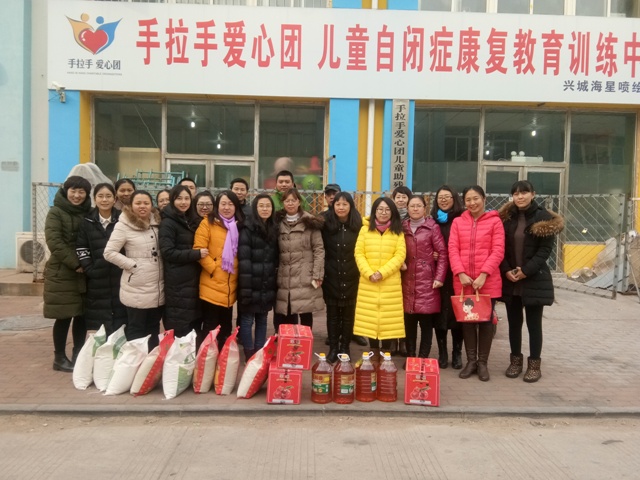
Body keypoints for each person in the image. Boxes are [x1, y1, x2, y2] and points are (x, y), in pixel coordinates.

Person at [499, 180, 564, 383]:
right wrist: (507, 270)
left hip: (534, 279)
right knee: (514, 323)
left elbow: (545, 251)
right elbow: (500, 247)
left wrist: (525, 271)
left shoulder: (544, 218)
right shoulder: (506, 218)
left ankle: (534, 365)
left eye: (524, 193)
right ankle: (515, 362)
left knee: (534, 325)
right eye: (516, 193)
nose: (520, 197)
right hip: (511, 279)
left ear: (533, 194)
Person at [449, 185, 505, 381]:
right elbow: (453, 249)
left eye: (476, 198)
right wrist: (460, 273)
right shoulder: (458, 222)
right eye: (468, 199)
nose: (472, 203)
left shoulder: (495, 222)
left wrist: (484, 275)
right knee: (467, 321)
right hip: (464, 282)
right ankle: (471, 361)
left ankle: (483, 363)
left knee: (486, 322)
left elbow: (498, 250)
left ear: (484, 199)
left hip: (487, 281)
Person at [104, 190, 165, 351]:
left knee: (153, 326)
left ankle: (150, 360)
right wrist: (132, 265)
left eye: (146, 203)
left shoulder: (157, 223)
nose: (142, 206)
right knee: (136, 327)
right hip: (136, 286)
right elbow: (109, 253)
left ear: (151, 205)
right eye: (138, 203)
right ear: (131, 205)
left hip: (157, 286)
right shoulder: (123, 225)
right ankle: (135, 361)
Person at [44, 176, 93, 372]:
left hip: (85, 271)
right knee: (64, 315)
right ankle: (59, 357)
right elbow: (54, 242)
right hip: (63, 272)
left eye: (82, 192)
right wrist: (76, 263)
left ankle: (78, 354)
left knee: (82, 315)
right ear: (66, 191)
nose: (77, 195)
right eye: (73, 191)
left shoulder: (89, 212)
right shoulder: (56, 212)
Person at [353, 197, 406, 361]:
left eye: (387, 209)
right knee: (370, 319)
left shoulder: (397, 231)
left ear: (392, 212)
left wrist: (382, 273)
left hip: (390, 283)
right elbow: (359, 253)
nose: (383, 212)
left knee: (388, 320)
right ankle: (373, 353)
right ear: (374, 211)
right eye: (380, 209)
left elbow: (400, 255)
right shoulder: (364, 230)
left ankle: (385, 354)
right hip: (369, 282)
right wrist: (369, 273)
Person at [401, 195, 448, 366]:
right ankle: (411, 357)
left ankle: (422, 358)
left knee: (426, 323)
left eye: (418, 206)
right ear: (407, 208)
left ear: (424, 208)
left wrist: (439, 277)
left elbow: (442, 253)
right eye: (412, 206)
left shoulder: (432, 227)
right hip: (407, 281)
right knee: (409, 323)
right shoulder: (402, 227)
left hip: (427, 282)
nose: (415, 209)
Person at [194, 190, 244, 349]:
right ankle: (206, 357)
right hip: (212, 283)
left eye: (230, 204)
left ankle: (222, 357)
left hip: (230, 286)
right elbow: (199, 250)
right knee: (210, 325)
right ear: (217, 205)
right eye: (223, 204)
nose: (227, 207)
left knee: (226, 326)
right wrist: (214, 269)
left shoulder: (239, 225)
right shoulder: (207, 223)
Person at [76, 182, 127, 337]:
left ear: (115, 199)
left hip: (120, 276)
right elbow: (81, 247)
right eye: (100, 196)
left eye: (108, 196)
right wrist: (89, 268)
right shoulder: (87, 221)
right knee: (98, 324)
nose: (104, 200)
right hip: (97, 278)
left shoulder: (123, 219)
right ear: (94, 198)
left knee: (121, 320)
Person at [159, 185, 207, 338]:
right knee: (179, 322)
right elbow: (168, 252)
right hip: (177, 281)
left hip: (193, 279)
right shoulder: (168, 222)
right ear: (172, 200)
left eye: (187, 198)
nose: (183, 202)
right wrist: (196, 254)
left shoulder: (191, 219)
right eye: (179, 198)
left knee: (194, 321)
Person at [274, 188, 325, 330]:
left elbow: (319, 249)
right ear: (283, 203)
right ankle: (289, 342)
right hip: (285, 276)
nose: (290, 203)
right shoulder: (278, 222)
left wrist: (317, 274)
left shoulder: (310, 222)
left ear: (299, 202)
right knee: (288, 312)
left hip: (305, 275)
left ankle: (305, 341)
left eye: (293, 200)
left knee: (305, 311)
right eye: (287, 200)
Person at [321, 191, 363, 362]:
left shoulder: (359, 225)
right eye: (338, 204)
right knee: (332, 314)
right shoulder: (326, 224)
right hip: (331, 275)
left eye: (345, 204)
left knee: (348, 315)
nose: (341, 207)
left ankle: (345, 348)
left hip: (352, 276)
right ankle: (333, 348)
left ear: (351, 206)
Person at [237, 194, 279, 361]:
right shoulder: (247, 228)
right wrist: (246, 289)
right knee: (247, 320)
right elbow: (244, 261)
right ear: (255, 208)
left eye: (268, 206)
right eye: (261, 206)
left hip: (266, 283)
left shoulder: (273, 228)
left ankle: (260, 352)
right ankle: (249, 353)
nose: (265, 209)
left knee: (262, 319)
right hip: (250, 283)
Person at [431, 185, 465, 369]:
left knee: (458, 313)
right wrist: (432, 254)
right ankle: (442, 352)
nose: (443, 200)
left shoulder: (462, 218)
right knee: (440, 314)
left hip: (458, 273)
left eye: (447, 196)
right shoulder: (433, 220)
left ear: (454, 199)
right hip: (438, 274)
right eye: (440, 197)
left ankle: (457, 352)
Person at [390, 184, 413, 356]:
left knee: (405, 306)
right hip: (392, 266)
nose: (401, 200)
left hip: (409, 266)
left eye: (404, 197)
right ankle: (392, 341)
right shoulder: (388, 217)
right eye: (398, 197)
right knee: (392, 306)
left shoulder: (413, 218)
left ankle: (404, 341)